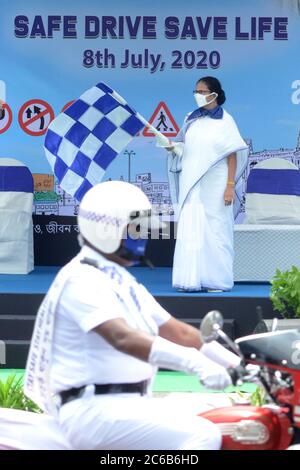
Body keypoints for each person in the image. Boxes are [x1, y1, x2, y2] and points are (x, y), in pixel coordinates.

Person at [24, 181, 241, 450]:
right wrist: (195, 364)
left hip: (128, 404)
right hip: (94, 411)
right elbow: (122, 337)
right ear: (106, 229)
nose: (142, 237)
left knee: (223, 418)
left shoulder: (121, 279)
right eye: (135, 229)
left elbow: (178, 331)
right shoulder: (80, 278)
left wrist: (241, 364)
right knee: (202, 435)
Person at [166, 77, 248, 292]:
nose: (198, 95)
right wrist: (173, 147)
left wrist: (230, 186)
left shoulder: (226, 121)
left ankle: (217, 280)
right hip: (192, 181)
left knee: (217, 228)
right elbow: (184, 147)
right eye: (196, 90)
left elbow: (233, 156)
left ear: (214, 93)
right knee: (192, 226)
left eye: (202, 91)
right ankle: (190, 279)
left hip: (217, 182)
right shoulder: (190, 119)